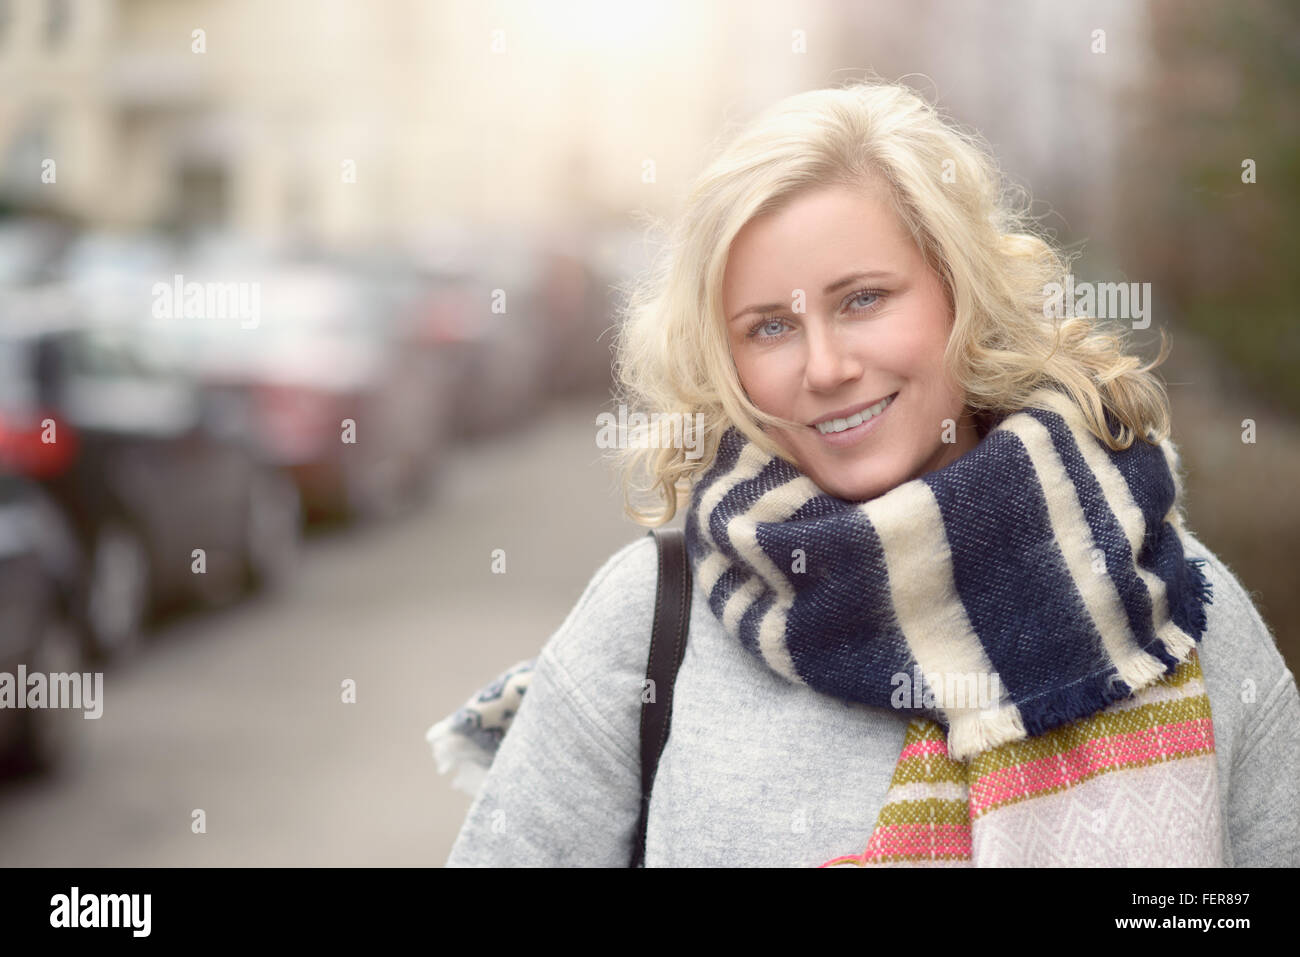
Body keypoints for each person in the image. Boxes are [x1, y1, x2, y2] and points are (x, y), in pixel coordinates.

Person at [429, 77, 1299, 867]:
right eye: (769, 326)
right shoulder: (654, 616)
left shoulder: (1172, 607)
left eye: (863, 299)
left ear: (961, 291)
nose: (825, 365)